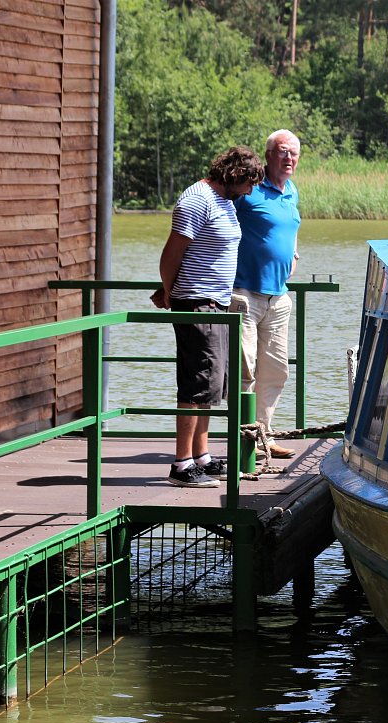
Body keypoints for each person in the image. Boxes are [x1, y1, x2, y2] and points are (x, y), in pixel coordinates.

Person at [152, 146, 265, 488]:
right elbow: (172, 252)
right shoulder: (196, 199)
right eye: (249, 183)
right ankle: (181, 465)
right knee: (197, 382)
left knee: (213, 383)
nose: (250, 191)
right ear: (235, 175)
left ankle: (201, 456)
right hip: (196, 303)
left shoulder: (225, 202)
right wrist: (168, 291)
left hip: (216, 303)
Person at [231, 130, 303, 460]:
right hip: (245, 295)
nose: (289, 159)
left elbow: (290, 229)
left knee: (275, 371)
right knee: (244, 370)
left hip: (279, 298)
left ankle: (263, 436)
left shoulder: (292, 193)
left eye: (294, 154)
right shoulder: (248, 191)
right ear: (269, 155)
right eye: (283, 152)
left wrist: (293, 253)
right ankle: (241, 441)